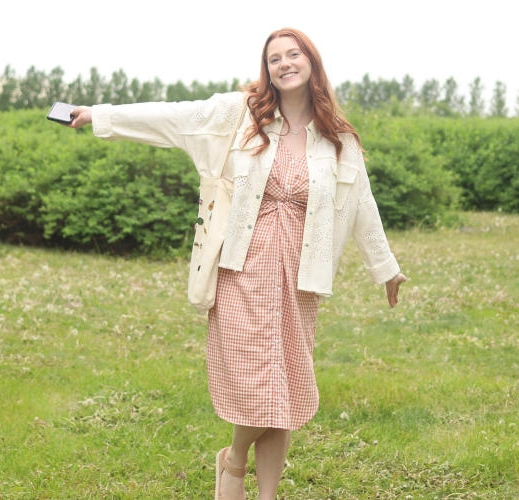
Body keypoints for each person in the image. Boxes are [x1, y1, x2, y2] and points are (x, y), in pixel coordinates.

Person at [68, 27, 406, 500]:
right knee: (255, 385)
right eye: (274, 59)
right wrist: (100, 116)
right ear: (266, 70)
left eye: (294, 55)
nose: (285, 63)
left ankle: (260, 491)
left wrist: (385, 268)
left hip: (300, 278)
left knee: (284, 389)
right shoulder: (240, 115)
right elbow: (175, 118)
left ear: (312, 63)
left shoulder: (338, 139)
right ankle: (234, 458)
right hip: (241, 270)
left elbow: (363, 204)